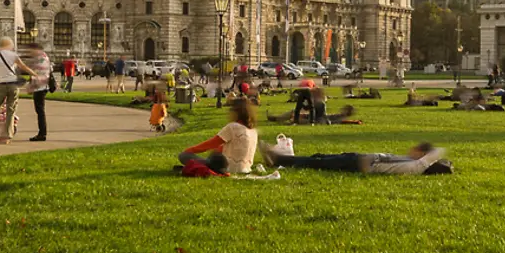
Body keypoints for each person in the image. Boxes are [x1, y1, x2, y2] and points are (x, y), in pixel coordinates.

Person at [265, 141, 451, 175]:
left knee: (317, 163)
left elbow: (439, 151)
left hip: (361, 163)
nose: (411, 150)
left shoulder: (417, 166)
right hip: (361, 159)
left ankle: (279, 159)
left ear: (422, 154)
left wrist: (436, 159)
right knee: (320, 157)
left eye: (416, 149)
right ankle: (284, 157)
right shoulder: (416, 163)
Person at [176, 101, 259, 174]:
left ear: (236, 113)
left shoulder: (232, 127)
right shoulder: (253, 131)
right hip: (246, 169)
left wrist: (190, 150)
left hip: (227, 167)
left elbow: (211, 144)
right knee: (213, 155)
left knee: (183, 156)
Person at [0, 37, 32, 144]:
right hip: (13, 85)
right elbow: (23, 67)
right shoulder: (13, 55)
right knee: (11, 111)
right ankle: (6, 136)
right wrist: (34, 74)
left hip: (1, 85)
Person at [21, 42, 53, 142]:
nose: (29, 53)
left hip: (40, 87)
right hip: (42, 86)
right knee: (40, 111)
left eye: (30, 51)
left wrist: (31, 87)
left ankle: (42, 133)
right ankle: (42, 133)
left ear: (35, 49)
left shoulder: (40, 59)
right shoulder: (43, 57)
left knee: (40, 111)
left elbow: (39, 75)